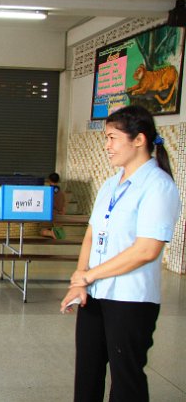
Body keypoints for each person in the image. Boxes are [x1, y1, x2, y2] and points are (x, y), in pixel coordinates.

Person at [60, 105, 181, 402]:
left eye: (112, 138)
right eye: (106, 138)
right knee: (87, 373)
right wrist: (80, 281)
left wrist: (88, 275)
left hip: (131, 299)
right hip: (95, 293)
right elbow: (91, 234)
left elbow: (146, 250)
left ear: (138, 140)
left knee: (126, 380)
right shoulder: (111, 184)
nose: (107, 146)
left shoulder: (158, 186)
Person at [40, 172, 67, 239]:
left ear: (49, 180)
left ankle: (51, 233)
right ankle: (56, 232)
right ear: (58, 181)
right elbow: (63, 206)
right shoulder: (61, 193)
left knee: (42, 231)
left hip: (49, 215)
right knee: (59, 229)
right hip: (58, 216)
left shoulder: (47, 192)